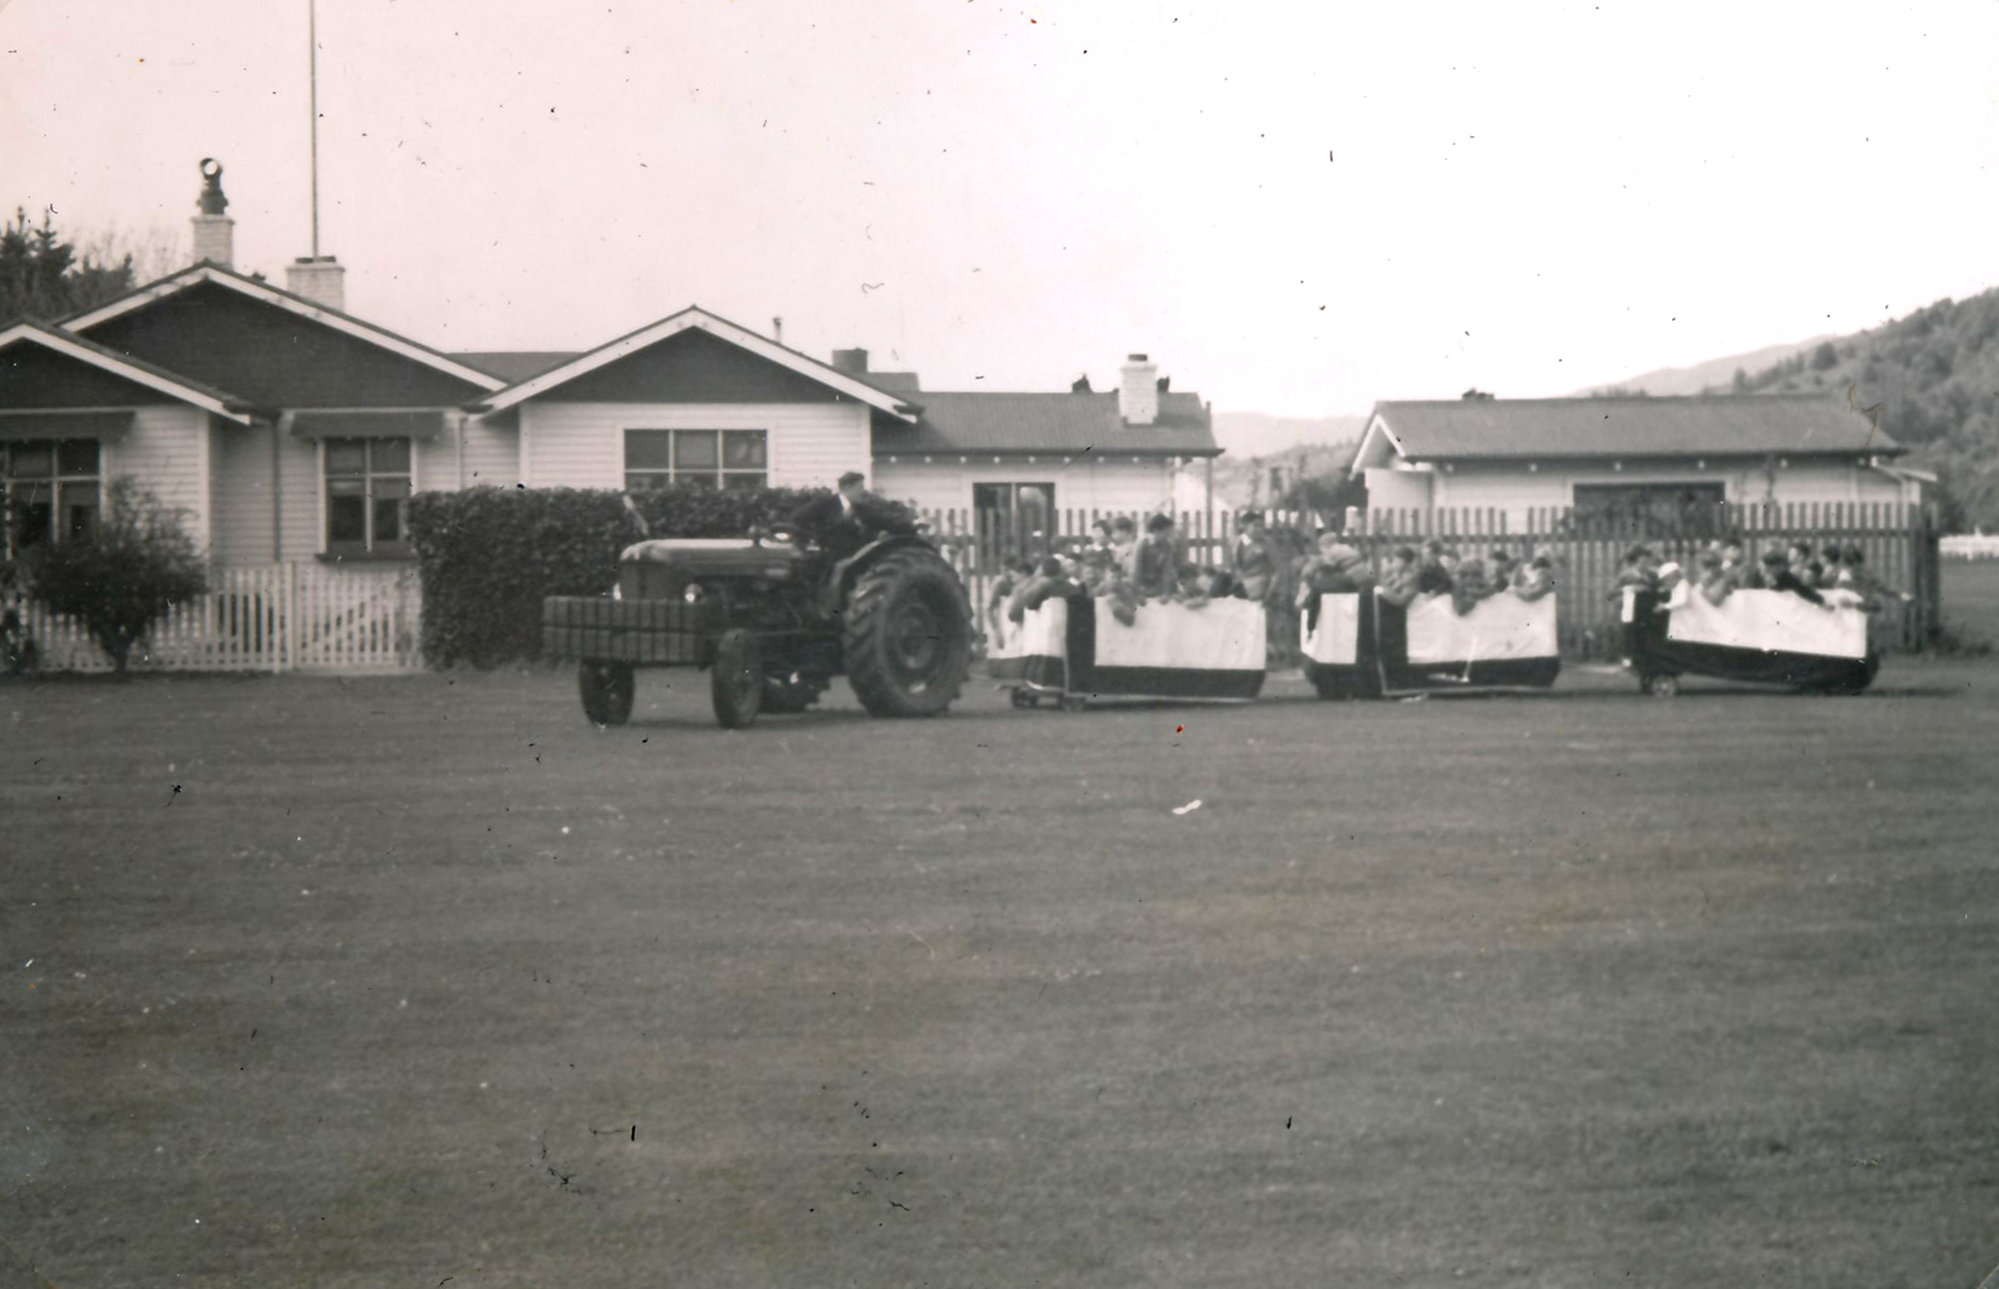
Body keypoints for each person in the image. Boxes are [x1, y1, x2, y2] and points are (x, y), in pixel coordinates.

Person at [787, 471, 914, 557]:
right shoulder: (824, 504)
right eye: (860, 488)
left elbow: (885, 521)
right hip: (828, 560)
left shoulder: (863, 509)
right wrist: (809, 541)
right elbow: (797, 518)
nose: (863, 492)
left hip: (856, 561)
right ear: (847, 487)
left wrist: (910, 526)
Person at [1231, 510, 1279, 604]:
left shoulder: (1267, 543)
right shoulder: (1236, 542)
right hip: (1241, 584)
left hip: (1261, 584)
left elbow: (1277, 568)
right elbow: (1234, 566)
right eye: (1256, 526)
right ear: (1244, 526)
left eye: (1261, 526)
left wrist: (1270, 592)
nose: (1260, 529)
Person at [1132, 513, 1181, 601]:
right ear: (1156, 531)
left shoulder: (1168, 545)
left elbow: (1167, 570)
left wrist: (1166, 593)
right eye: (1166, 532)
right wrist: (1137, 593)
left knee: (1173, 583)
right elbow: (1136, 570)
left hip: (1157, 583)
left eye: (1170, 532)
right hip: (1142, 583)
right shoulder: (1142, 544)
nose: (1169, 535)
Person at [1760, 548, 1825, 604]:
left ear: (1780, 566)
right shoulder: (1761, 577)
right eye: (1765, 569)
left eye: (1768, 568)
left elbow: (1804, 591)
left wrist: (1820, 601)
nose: (1765, 571)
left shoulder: (1788, 579)